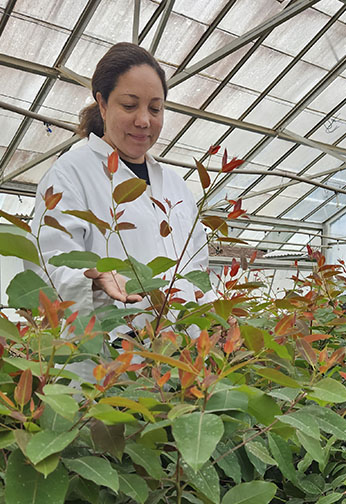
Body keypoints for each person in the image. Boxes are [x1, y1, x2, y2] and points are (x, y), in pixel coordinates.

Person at [27, 42, 211, 331]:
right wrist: (92, 278)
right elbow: (47, 266)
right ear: (102, 104)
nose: (143, 120)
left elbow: (198, 266)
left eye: (155, 108)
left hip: (183, 358)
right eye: (129, 105)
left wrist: (213, 317)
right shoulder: (70, 174)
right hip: (109, 358)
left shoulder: (176, 186)